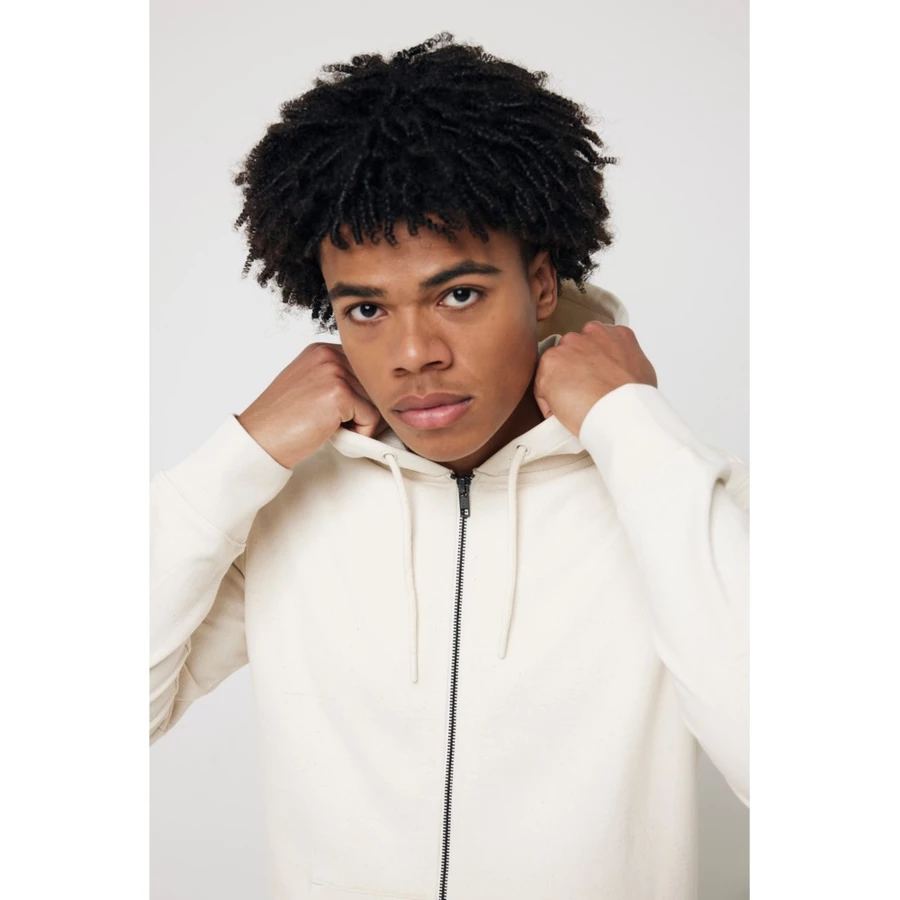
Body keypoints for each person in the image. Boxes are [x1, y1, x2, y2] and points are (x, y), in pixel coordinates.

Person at [150, 32, 749, 900]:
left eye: (458, 294)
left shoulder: (679, 495)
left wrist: (631, 428)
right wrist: (240, 454)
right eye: (367, 309)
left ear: (540, 285)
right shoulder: (284, 506)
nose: (413, 353)